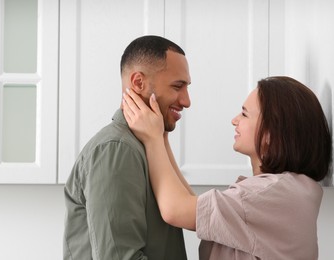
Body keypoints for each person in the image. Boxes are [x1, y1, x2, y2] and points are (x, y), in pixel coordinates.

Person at [122, 76, 332, 260]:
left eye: (244, 114)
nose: (235, 120)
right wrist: (161, 136)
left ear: (270, 132)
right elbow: (191, 203)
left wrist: (152, 140)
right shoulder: (290, 190)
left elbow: (176, 209)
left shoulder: (269, 194)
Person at [64, 35, 194, 260]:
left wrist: (160, 137)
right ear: (138, 83)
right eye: (177, 86)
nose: (186, 100)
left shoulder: (148, 146)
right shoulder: (116, 150)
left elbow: (190, 209)